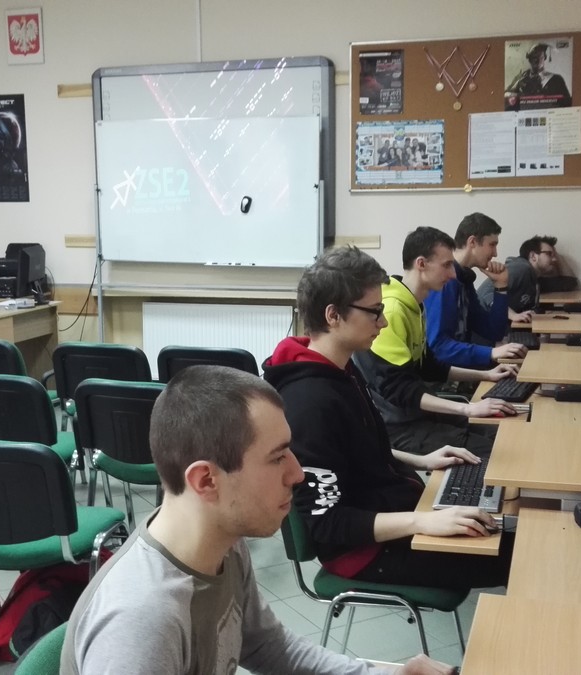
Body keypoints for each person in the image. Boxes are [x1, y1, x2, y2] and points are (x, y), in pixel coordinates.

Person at [61, 365, 455, 675]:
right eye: (277, 457)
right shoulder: (142, 624)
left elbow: (269, 647)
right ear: (206, 480)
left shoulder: (222, 542)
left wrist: (383, 674)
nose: (297, 474)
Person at [264, 246, 513, 594]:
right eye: (374, 312)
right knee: (519, 552)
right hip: (363, 551)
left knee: (515, 527)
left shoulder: (341, 368)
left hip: (395, 514)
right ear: (333, 316)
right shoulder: (308, 403)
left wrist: (422, 460)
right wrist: (422, 522)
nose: (382, 322)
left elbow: (355, 450)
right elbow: (328, 524)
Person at [352, 229, 517, 458]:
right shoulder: (393, 310)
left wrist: (486, 375)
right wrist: (468, 408)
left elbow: (429, 367)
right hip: (398, 428)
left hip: (417, 415)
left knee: (503, 432)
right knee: (497, 453)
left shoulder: (414, 304)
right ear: (421, 264)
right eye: (446, 265)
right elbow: (400, 390)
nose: (453, 274)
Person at [423, 213, 525, 369]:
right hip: (444, 375)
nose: (495, 253)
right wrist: (491, 353)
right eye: (492, 245)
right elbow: (438, 347)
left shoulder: (464, 279)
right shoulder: (445, 281)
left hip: (461, 370)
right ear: (472, 242)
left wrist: (501, 287)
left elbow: (493, 331)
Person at [476, 235, 559, 322]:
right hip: (480, 323)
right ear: (533, 256)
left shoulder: (534, 279)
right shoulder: (521, 269)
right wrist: (513, 315)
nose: (555, 259)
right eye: (549, 254)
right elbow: (486, 293)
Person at [504, 42, 572, 111]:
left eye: (540, 57)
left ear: (545, 57)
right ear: (529, 59)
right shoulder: (521, 80)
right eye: (534, 57)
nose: (538, 60)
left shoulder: (556, 80)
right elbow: (507, 99)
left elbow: (567, 104)